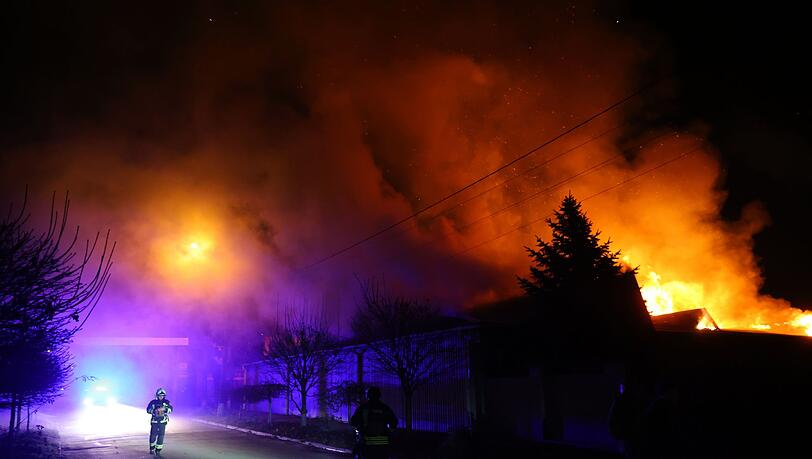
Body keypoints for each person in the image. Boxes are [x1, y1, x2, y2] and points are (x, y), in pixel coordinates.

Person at [350, 386, 398, 459]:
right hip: (382, 443)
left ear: (368, 395)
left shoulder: (363, 407)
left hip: (367, 442)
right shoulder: (385, 408)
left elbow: (353, 422)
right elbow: (393, 423)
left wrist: (359, 430)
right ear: (379, 395)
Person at [146, 387, 173, 455]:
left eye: (162, 396)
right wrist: (154, 411)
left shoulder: (166, 402)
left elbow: (171, 409)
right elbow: (148, 410)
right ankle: (152, 449)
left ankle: (158, 450)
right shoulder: (153, 402)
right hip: (154, 421)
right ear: (157, 395)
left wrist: (165, 410)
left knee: (161, 436)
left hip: (162, 422)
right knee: (153, 435)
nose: (161, 397)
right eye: (160, 395)